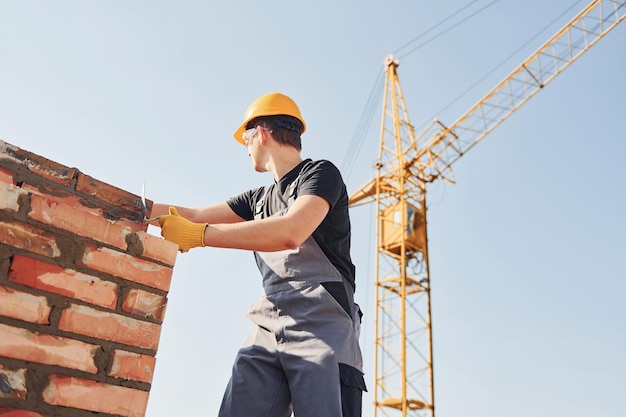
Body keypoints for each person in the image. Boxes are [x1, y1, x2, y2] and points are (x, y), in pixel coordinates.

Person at [151, 92, 367, 417]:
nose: (246, 148)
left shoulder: (320, 175)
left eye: (246, 140)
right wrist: (130, 208)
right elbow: (192, 214)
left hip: (323, 325)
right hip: (268, 323)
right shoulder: (258, 199)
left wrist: (201, 237)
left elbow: (290, 231)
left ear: (261, 134)